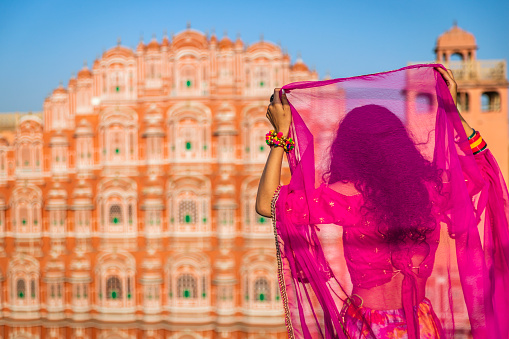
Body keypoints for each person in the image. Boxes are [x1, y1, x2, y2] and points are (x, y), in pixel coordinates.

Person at [256, 65, 509, 339]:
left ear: (348, 150)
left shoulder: (346, 197)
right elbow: (483, 171)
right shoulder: (431, 191)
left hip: (368, 327)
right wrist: (453, 112)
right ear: (401, 145)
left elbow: (267, 203)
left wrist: (279, 136)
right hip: (420, 323)